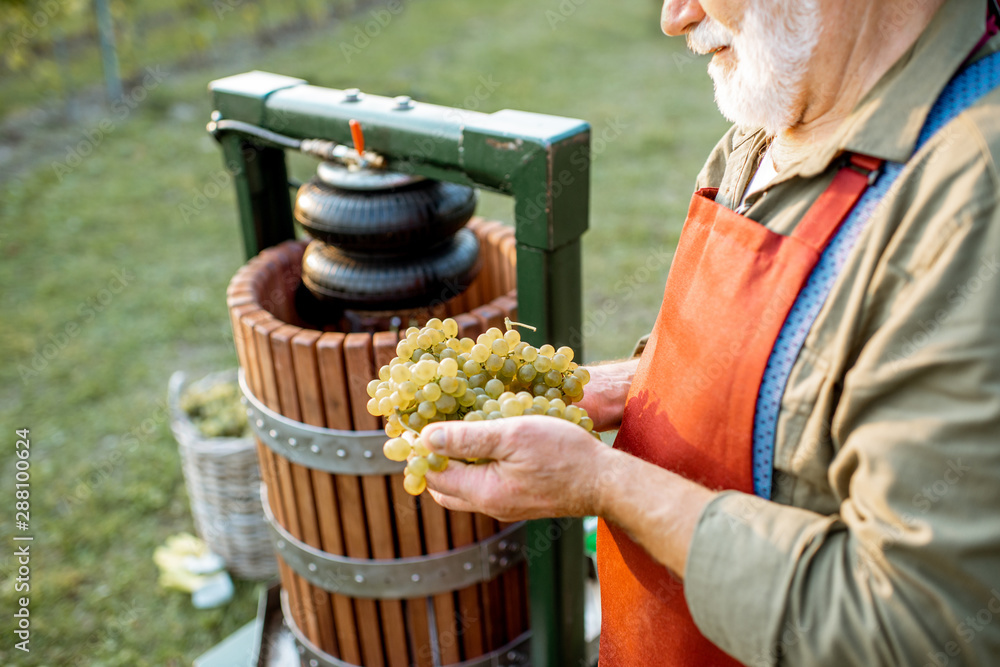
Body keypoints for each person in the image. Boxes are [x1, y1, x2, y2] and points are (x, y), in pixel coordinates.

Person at [422, 0, 1000, 664]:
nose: (674, 15)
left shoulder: (974, 198)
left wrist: (602, 483)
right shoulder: (784, 111)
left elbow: (921, 628)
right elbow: (800, 369)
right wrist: (615, 389)